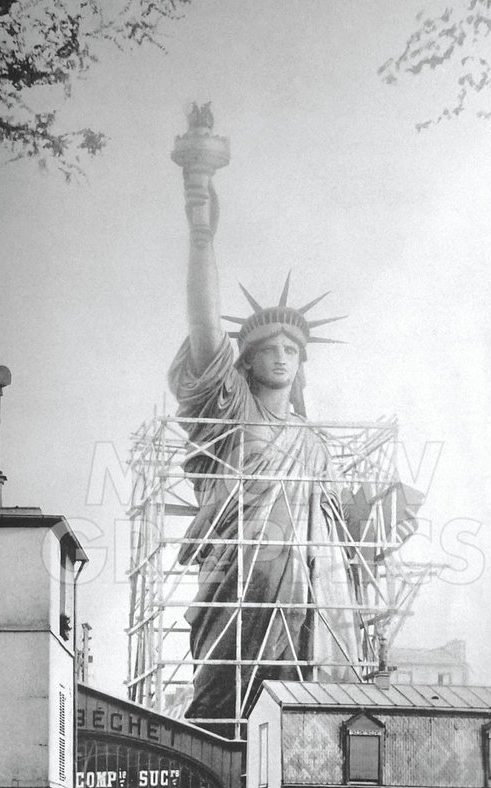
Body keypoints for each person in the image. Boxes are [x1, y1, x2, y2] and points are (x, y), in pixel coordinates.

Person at [168, 130, 362, 725]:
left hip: (298, 587)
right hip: (234, 576)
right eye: (268, 347)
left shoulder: (313, 442)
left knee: (288, 710)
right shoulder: (231, 410)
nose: (281, 356)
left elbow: (334, 535)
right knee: (220, 704)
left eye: (292, 349)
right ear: (244, 360)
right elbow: (203, 323)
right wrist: (201, 221)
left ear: (302, 362)